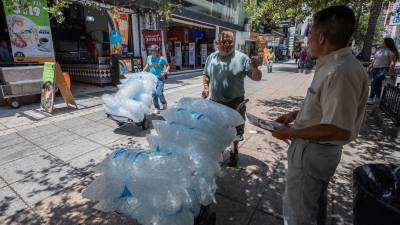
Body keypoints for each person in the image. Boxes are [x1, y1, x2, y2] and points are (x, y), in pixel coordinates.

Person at [271, 6, 368, 225]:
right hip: (315, 150)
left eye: (310, 34)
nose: (307, 40)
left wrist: (294, 132)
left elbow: (338, 128)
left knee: (298, 214)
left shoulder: (341, 71)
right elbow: (324, 107)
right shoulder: (330, 65)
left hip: (314, 151)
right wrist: (294, 114)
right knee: (313, 206)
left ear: (322, 37)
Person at [202, 31, 262, 167]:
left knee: (236, 133)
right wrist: (206, 88)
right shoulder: (211, 58)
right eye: (223, 42)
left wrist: (255, 68)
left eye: (230, 42)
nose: (227, 44)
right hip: (216, 102)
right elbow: (206, 75)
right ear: (217, 43)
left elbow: (256, 78)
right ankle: (219, 152)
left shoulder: (242, 58)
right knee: (216, 130)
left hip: (236, 103)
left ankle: (234, 151)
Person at [367, 37, 399, 105]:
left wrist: (390, 70)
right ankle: (377, 97)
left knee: (374, 82)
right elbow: (374, 60)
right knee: (378, 84)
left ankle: (371, 97)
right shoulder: (379, 50)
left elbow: (392, 62)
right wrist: (370, 66)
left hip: (383, 70)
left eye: (381, 41)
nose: (379, 42)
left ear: (386, 43)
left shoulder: (389, 52)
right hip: (375, 69)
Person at [143, 44, 170, 114]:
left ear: (157, 51)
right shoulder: (149, 57)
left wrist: (166, 71)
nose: (152, 52)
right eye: (151, 51)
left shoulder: (162, 59)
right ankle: (156, 107)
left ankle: (164, 103)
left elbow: (168, 66)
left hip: (159, 78)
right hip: (151, 79)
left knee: (159, 93)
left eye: (154, 50)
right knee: (154, 94)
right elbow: (148, 64)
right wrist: (144, 70)